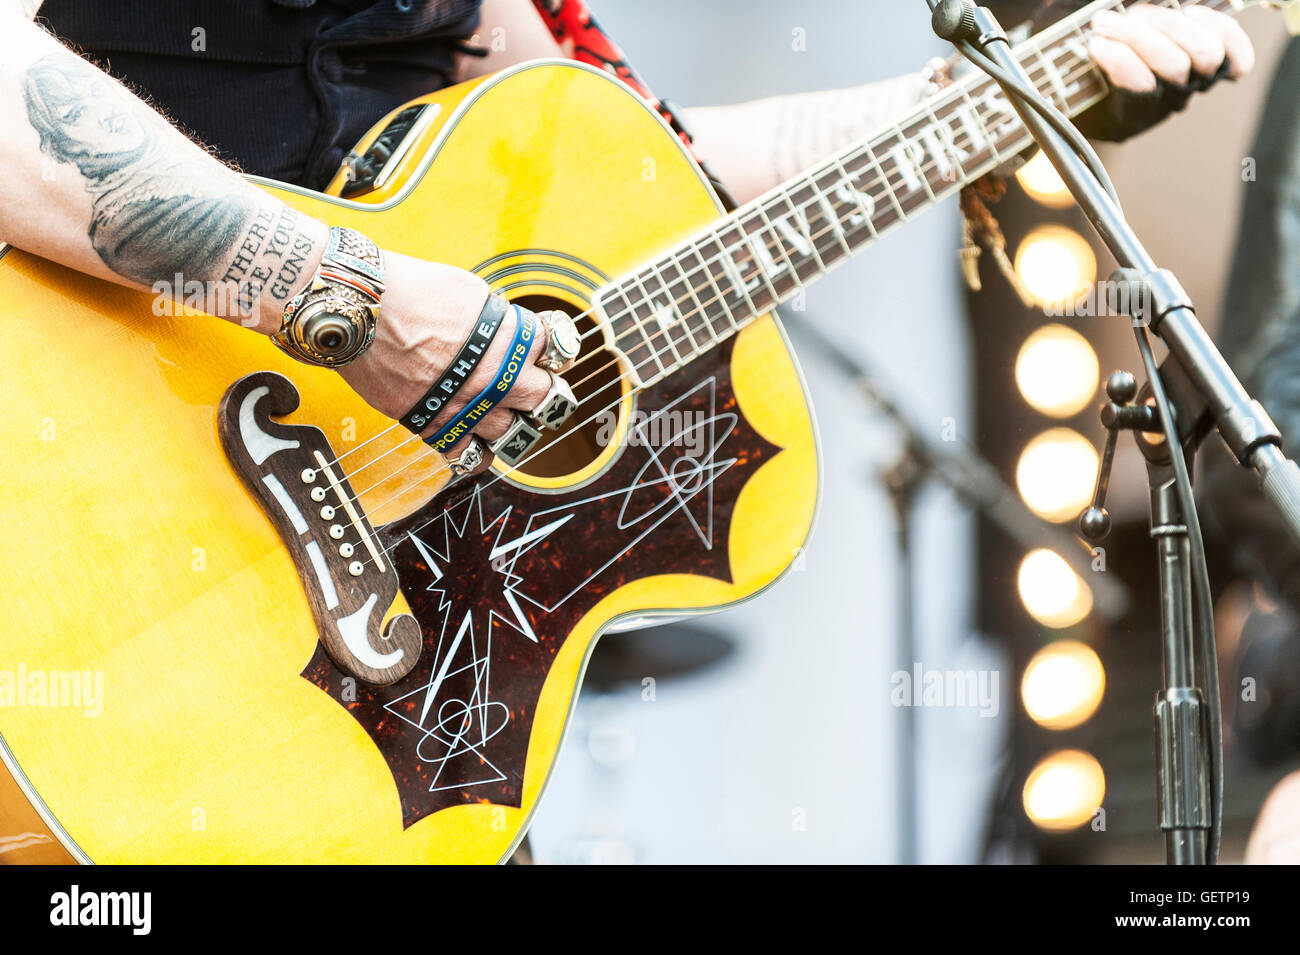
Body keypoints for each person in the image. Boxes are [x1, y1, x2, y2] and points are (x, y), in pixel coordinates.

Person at [0, 0, 1256, 468]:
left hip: (356, 637)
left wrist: (1008, 105)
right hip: (85, 482)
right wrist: (352, 301)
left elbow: (648, 183)